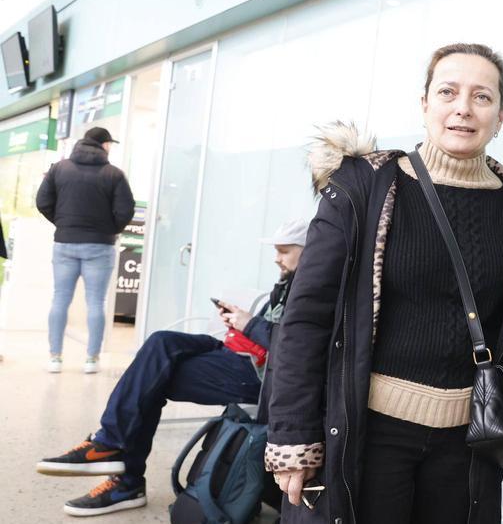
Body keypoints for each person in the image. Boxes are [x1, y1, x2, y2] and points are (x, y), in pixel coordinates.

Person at [266, 43, 503, 524]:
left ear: (501, 114)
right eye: (447, 91)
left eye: (482, 97)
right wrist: (293, 434)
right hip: (370, 435)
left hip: (469, 444)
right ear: (424, 103)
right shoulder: (365, 187)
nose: (462, 109)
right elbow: (306, 317)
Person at [35, 219, 307, 517]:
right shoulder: (289, 282)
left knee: (152, 379)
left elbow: (295, 349)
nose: (276, 258)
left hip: (257, 376)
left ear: (307, 252)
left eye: (283, 251)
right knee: (161, 343)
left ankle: (119, 469)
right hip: (239, 351)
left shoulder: (312, 293)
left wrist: (250, 323)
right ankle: (111, 449)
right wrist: (241, 321)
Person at [36, 126, 135, 374]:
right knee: (96, 302)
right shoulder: (114, 174)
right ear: (103, 145)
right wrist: (108, 229)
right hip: (100, 246)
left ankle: (55, 358)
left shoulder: (59, 169)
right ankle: (91, 359)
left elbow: (42, 202)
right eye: (109, 143)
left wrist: (63, 224)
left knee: (60, 298)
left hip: (65, 243)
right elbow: (126, 210)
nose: (110, 147)